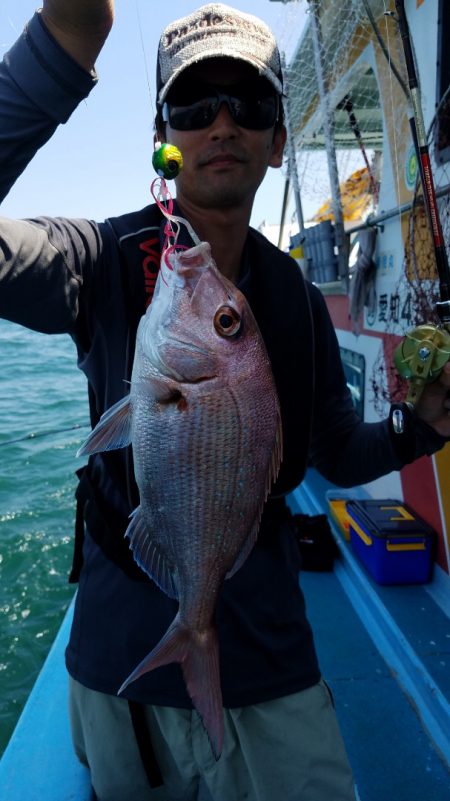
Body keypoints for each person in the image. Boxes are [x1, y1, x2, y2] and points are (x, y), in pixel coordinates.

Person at [1, 3, 450, 800]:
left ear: (277, 141)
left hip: (270, 660)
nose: (221, 123)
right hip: (121, 663)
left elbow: (336, 450)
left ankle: (198, 629)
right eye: (193, 102)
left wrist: (416, 429)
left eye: (249, 104)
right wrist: (59, 53)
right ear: (163, 136)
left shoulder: (298, 299)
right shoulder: (99, 259)